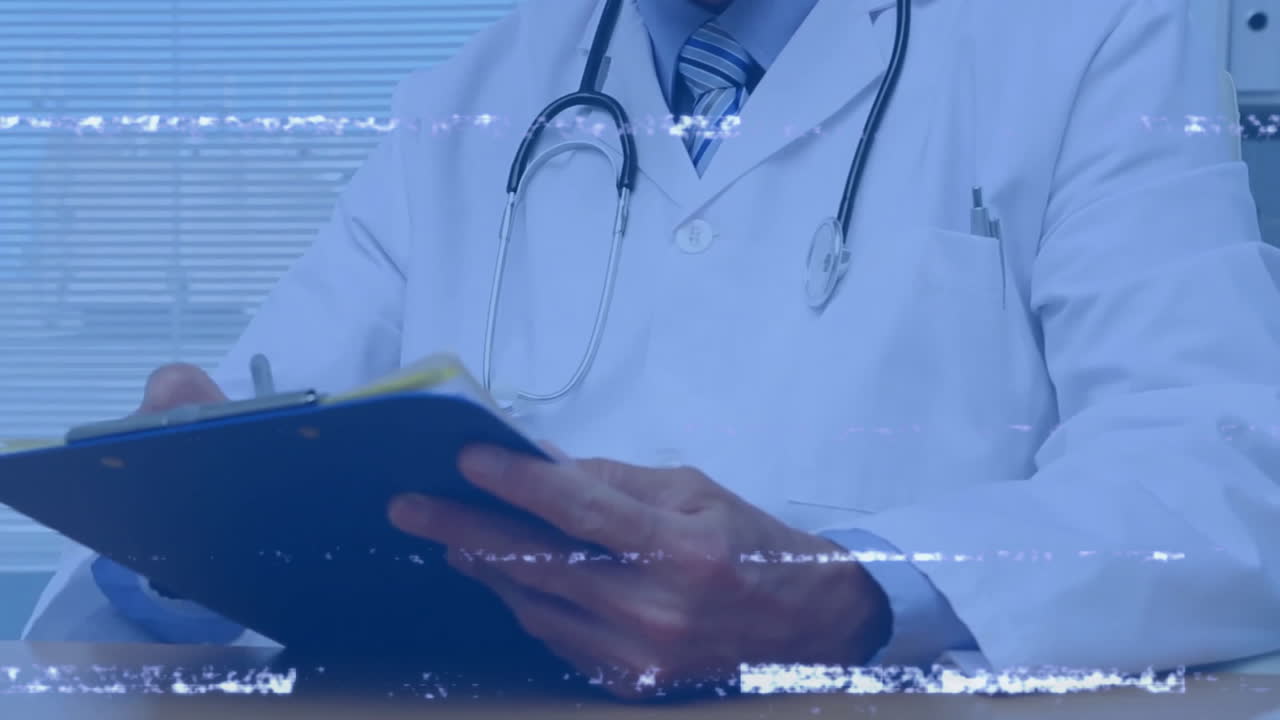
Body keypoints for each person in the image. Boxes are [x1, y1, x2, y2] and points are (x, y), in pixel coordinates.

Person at [24, 0, 1280, 699]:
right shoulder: (470, 96)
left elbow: (1221, 481)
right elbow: (262, 429)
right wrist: (183, 527)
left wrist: (852, 593)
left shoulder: (1085, 36)